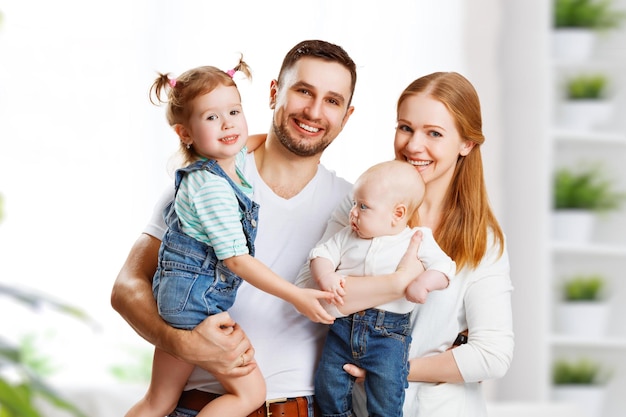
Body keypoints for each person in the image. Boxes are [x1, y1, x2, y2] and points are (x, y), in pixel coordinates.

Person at [112, 40, 423, 417]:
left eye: (332, 100)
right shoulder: (208, 179)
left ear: (347, 115)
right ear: (275, 92)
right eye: (304, 91)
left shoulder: (356, 207)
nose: (314, 110)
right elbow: (126, 287)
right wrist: (182, 343)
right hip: (201, 406)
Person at [125, 57, 337, 417]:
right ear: (184, 133)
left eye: (234, 112)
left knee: (157, 400)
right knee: (250, 393)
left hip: (180, 300)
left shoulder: (229, 161)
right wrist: (296, 295)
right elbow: (236, 259)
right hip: (195, 306)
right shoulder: (211, 189)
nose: (228, 124)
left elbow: (250, 142)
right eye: (212, 117)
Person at [323, 72, 514, 416]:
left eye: (434, 134)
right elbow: (316, 299)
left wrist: (390, 369)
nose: (412, 146)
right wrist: (395, 284)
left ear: (466, 144)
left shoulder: (481, 240)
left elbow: (492, 355)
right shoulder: (359, 208)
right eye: (405, 127)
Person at [298, 159, 456, 417]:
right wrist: (325, 274)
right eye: (353, 204)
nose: (353, 213)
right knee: (328, 385)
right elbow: (320, 254)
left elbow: (445, 267)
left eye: (364, 207)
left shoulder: (416, 239)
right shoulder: (347, 236)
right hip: (342, 330)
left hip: (388, 336)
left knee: (387, 393)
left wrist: (423, 283)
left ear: (398, 214)